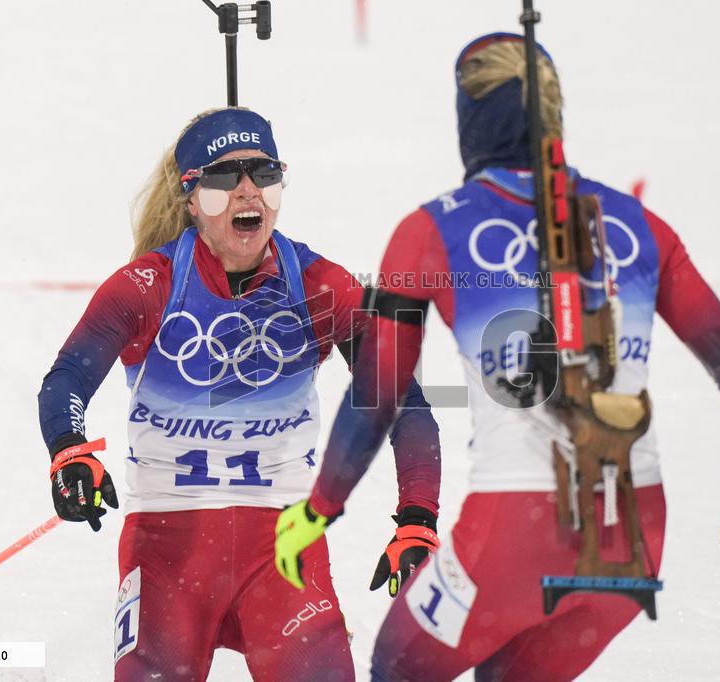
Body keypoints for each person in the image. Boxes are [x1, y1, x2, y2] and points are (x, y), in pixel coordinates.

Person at [273, 33, 720, 681]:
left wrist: (319, 509)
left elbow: (377, 395)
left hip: (514, 531)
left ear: (469, 119)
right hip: (631, 538)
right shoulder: (638, 223)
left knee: (398, 666)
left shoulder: (430, 230)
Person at [36, 107, 441, 681]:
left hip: (283, 553)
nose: (249, 190)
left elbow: (406, 406)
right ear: (191, 196)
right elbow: (67, 379)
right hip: (168, 551)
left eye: (264, 173)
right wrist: (69, 450)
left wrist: (417, 521)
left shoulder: (320, 285)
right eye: (226, 177)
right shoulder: (149, 285)